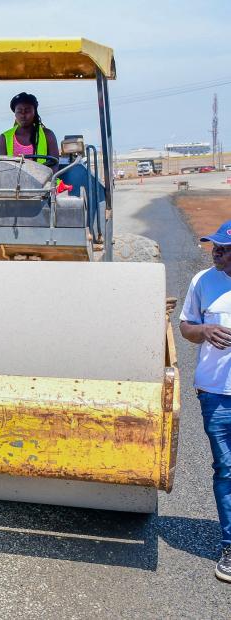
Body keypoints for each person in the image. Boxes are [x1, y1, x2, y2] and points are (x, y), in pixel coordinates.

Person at [179, 218, 231, 583]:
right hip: (214, 395)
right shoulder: (202, 281)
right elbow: (185, 327)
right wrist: (204, 330)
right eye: (215, 245)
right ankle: (230, 546)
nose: (216, 251)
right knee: (226, 470)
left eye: (224, 248)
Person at [0, 92, 59, 168]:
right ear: (15, 114)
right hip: (13, 179)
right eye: (19, 111)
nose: (23, 115)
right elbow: (0, 168)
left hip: (44, 179)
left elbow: (54, 165)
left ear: (34, 112)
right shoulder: (4, 138)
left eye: (27, 111)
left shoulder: (48, 135)